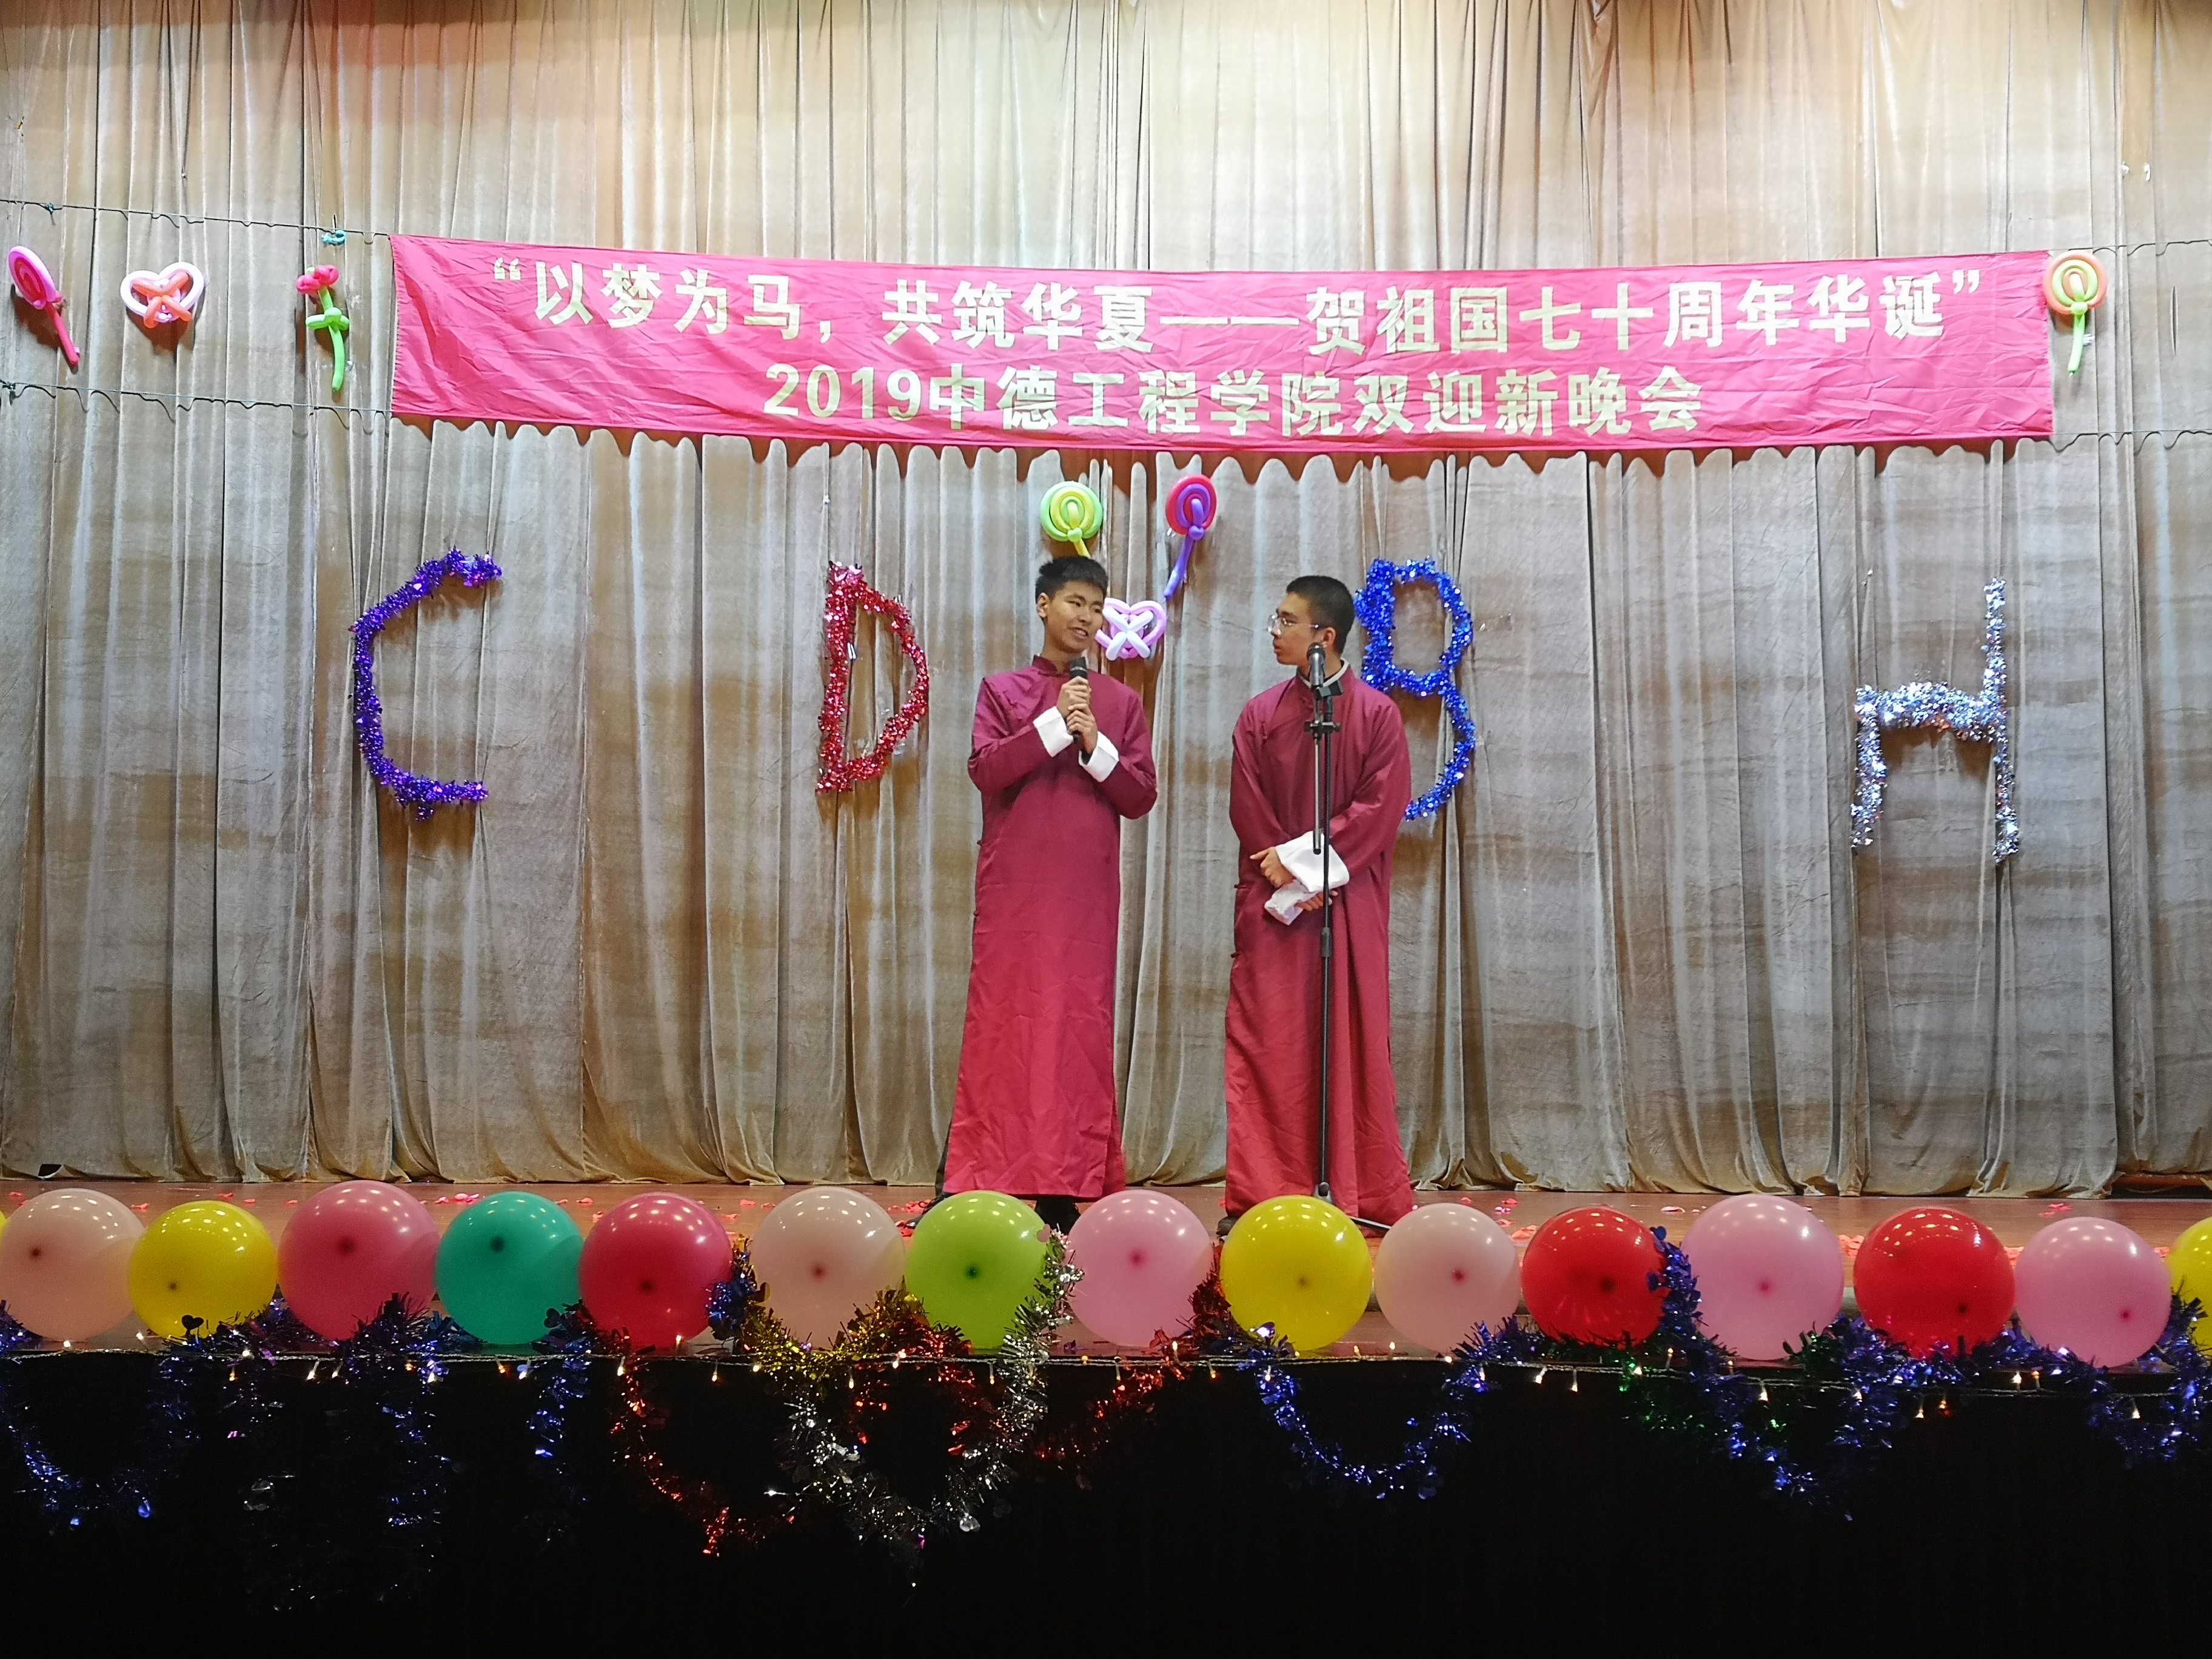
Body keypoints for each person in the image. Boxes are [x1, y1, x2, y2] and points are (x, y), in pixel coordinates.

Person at [940, 555, 1158, 1233]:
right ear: (1043, 605)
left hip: (1085, 894)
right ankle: (981, 1171)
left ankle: (1065, 1181)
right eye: (1074, 602)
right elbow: (986, 770)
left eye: (1096, 606)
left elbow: (1140, 796)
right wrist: (1054, 726)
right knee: (1005, 1024)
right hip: (1016, 890)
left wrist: (1094, 744)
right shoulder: (1002, 691)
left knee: (1076, 1028)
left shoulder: (1120, 703)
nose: (1085, 618)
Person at [1223, 575, 1415, 1230]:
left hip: (1347, 905)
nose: (1274, 631)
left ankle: (1358, 1190)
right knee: (1271, 1044)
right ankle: (1264, 1190)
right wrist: (1285, 874)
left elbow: (1380, 810)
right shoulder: (1259, 716)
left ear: (1323, 637)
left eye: (1287, 621)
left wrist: (1306, 867)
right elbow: (1248, 807)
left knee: (1349, 1042)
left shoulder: (1377, 716)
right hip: (1274, 904)